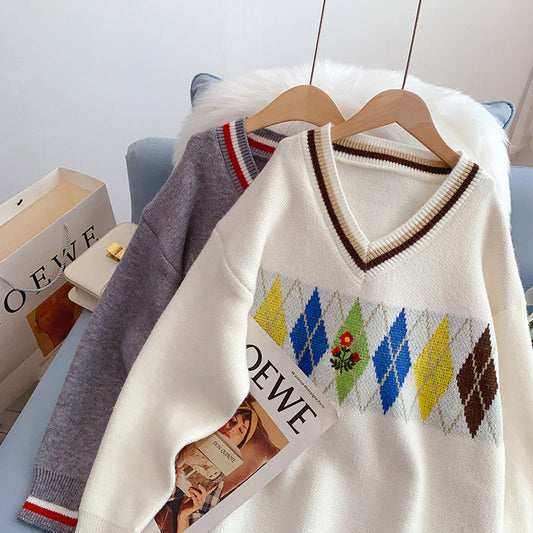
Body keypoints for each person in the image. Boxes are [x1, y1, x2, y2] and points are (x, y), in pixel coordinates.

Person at [155, 399, 258, 533]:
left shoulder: (215, 481)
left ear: (240, 442)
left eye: (241, 430)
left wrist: (184, 515)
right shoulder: (187, 430)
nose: (232, 428)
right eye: (233, 420)